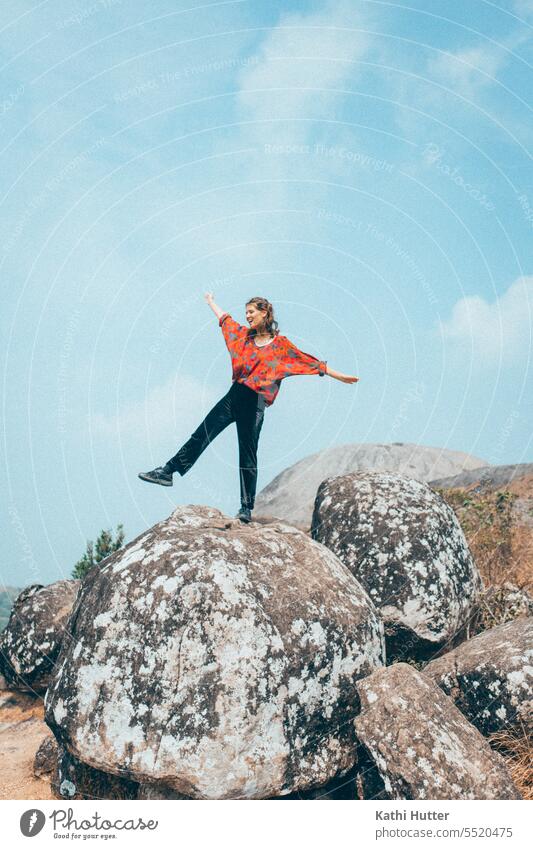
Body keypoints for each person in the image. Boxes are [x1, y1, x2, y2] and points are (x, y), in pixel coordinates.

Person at [138, 294, 359, 523]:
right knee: (202, 433)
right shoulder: (243, 337)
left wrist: (340, 377)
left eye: (252, 312)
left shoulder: (281, 346)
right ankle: (167, 471)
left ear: (264, 313)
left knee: (248, 454)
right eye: (246, 313)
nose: (248, 316)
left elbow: (309, 362)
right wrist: (211, 302)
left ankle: (246, 508)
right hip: (235, 395)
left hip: (255, 403)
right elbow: (226, 321)